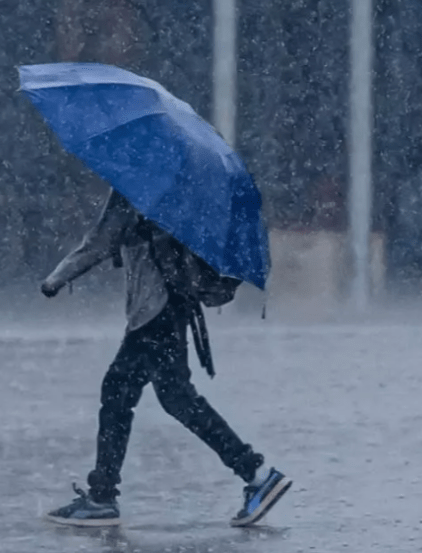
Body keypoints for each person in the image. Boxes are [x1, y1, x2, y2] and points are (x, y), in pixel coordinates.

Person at [40, 188, 291, 527]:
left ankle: (102, 497)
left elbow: (100, 242)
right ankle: (256, 474)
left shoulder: (135, 186)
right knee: (170, 398)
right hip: (173, 306)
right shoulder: (178, 189)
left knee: (125, 394)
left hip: (153, 312)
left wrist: (55, 279)